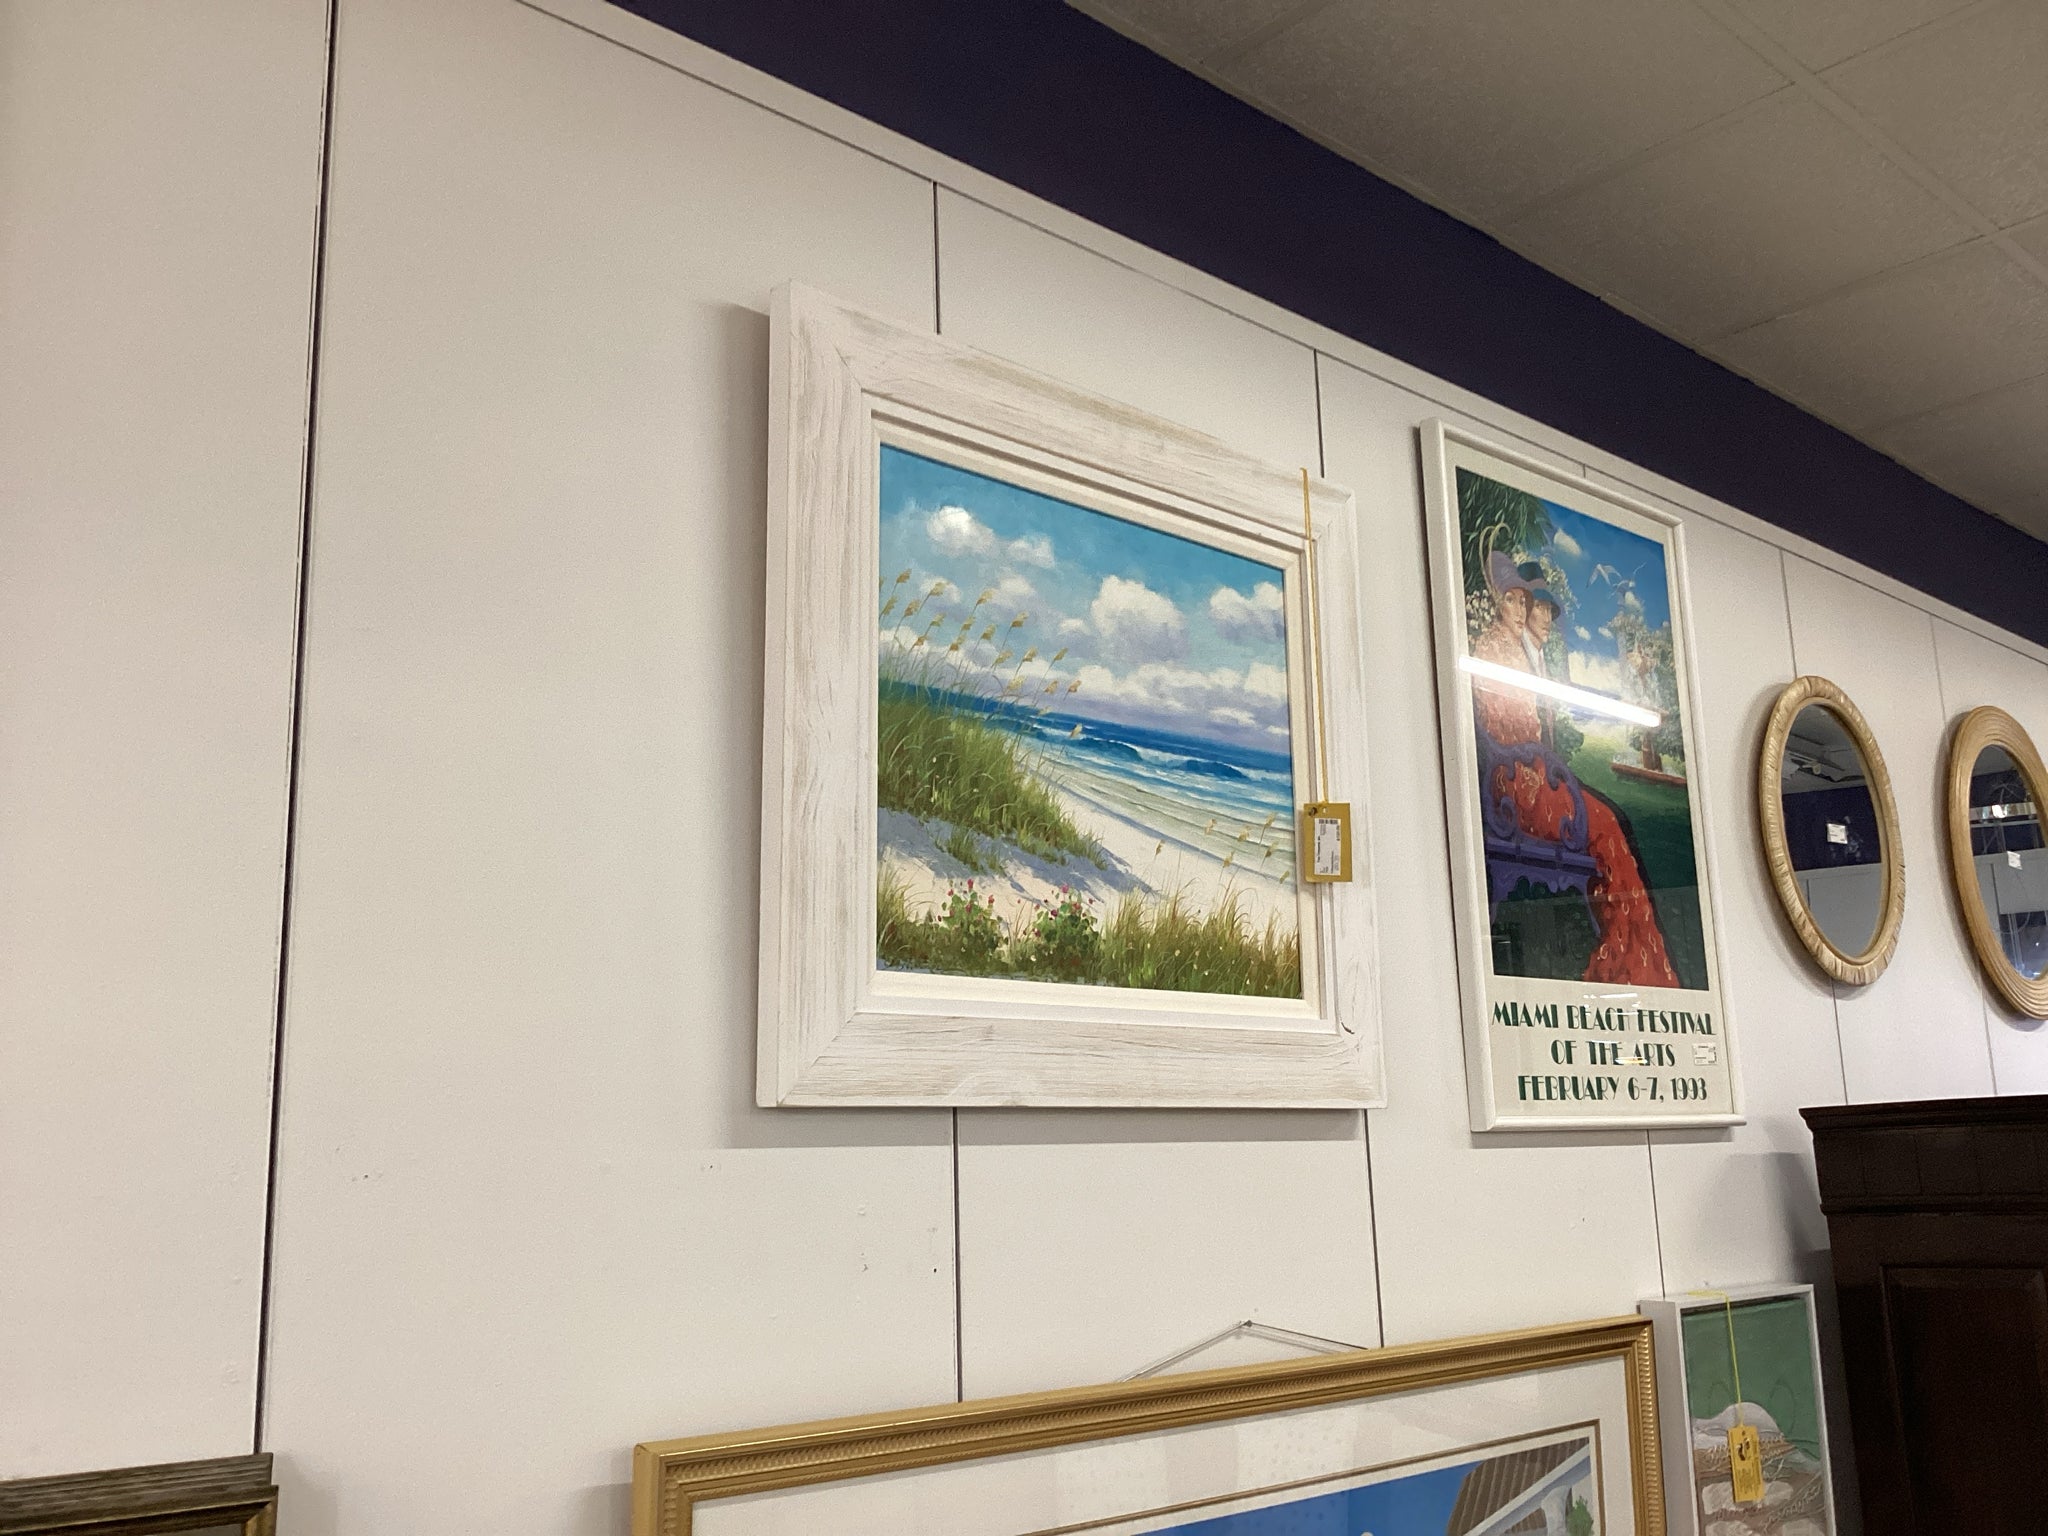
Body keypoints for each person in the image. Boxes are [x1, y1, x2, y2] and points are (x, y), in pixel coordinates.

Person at [1472, 552, 1679, 988]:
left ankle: (1628, 957)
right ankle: (1626, 959)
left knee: (1609, 822)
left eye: (1525, 602)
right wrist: (1541, 759)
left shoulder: (1518, 651)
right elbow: (1506, 728)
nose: (1522, 610)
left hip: (1535, 772)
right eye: (1513, 601)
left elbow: (1532, 727)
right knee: (1605, 826)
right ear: (1498, 603)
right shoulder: (1494, 648)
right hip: (1517, 782)